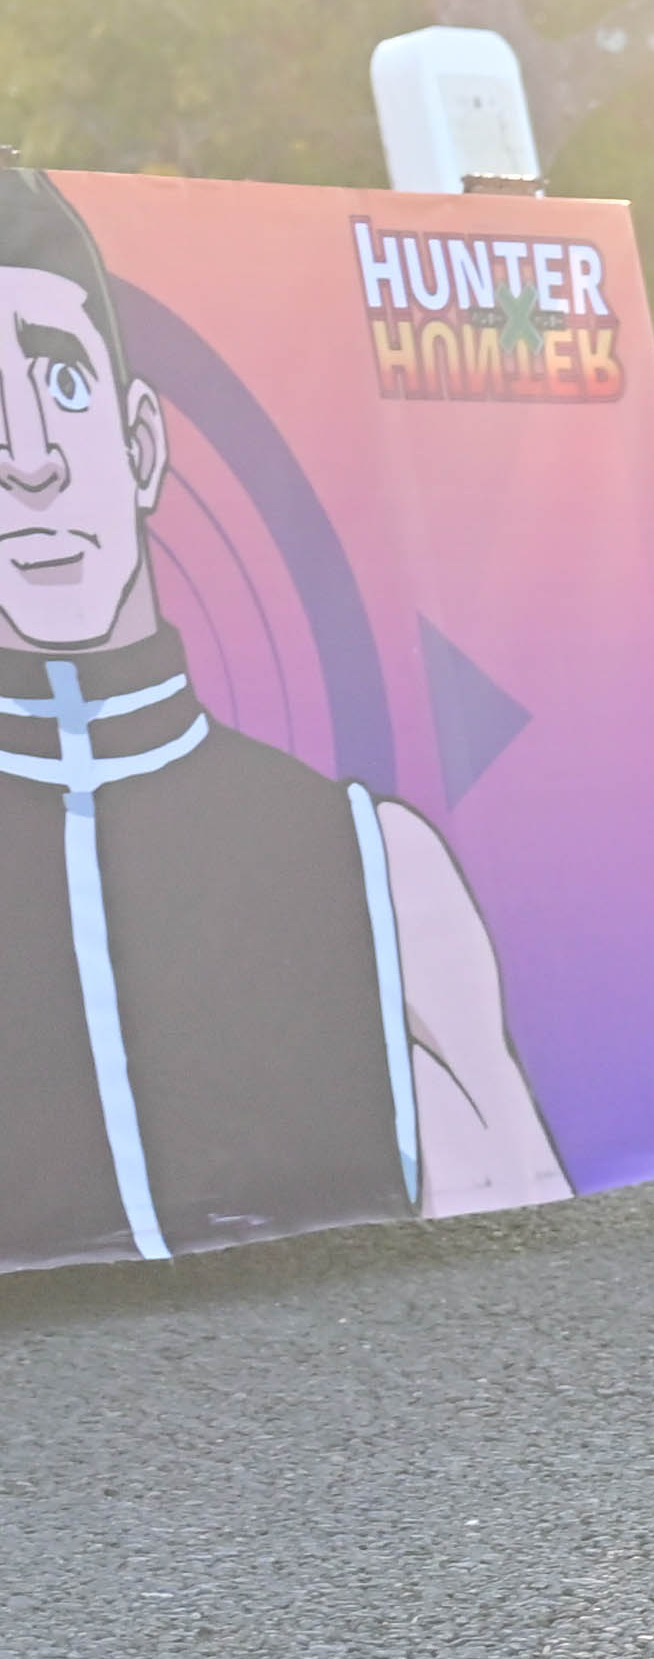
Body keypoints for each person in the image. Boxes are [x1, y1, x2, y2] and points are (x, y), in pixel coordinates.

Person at [0, 154, 568, 1272]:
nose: (30, 461)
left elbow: (525, 1252)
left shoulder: (376, 866)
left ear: (141, 447)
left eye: (60, 382)